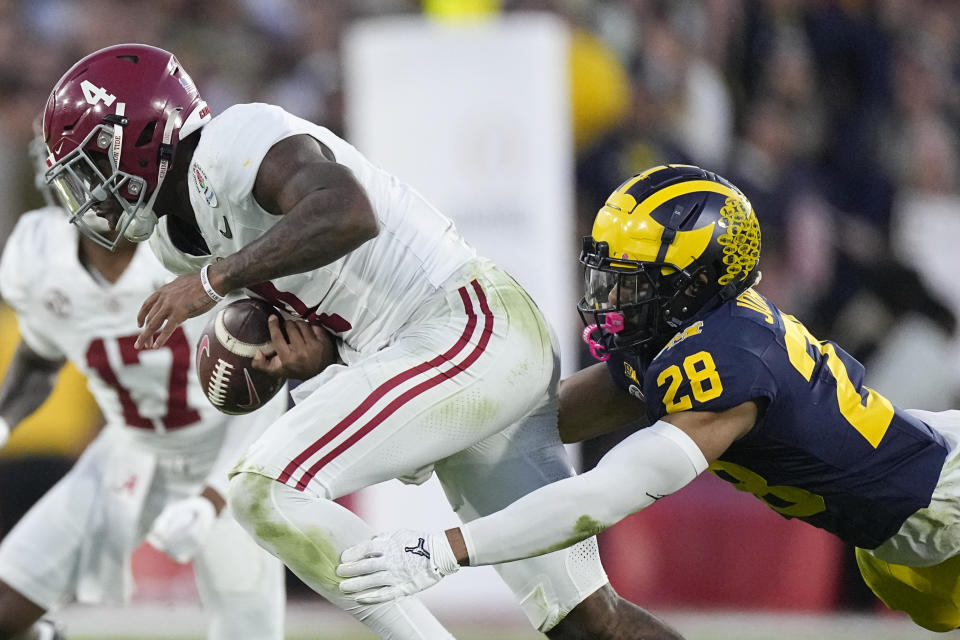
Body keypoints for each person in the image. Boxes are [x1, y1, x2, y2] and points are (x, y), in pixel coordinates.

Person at [40, 43, 683, 640]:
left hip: (469, 324)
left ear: (147, 135)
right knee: (588, 621)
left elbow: (345, 212)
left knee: (265, 488)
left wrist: (212, 283)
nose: (89, 188)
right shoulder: (171, 239)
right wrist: (310, 362)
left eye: (94, 160)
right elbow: (328, 323)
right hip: (438, 352)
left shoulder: (234, 140)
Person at [336, 163, 960, 634]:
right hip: (901, 528)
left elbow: (598, 498)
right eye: (607, 274)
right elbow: (530, 417)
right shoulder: (684, 332)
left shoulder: (725, 360)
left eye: (632, 280)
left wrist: (444, 550)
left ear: (697, 281)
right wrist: (424, 423)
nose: (610, 297)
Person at [0, 134, 288, 640]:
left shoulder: (197, 242)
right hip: (129, 451)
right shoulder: (39, 256)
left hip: (227, 452)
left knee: (248, 631)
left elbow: (267, 389)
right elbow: (39, 357)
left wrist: (215, 495)